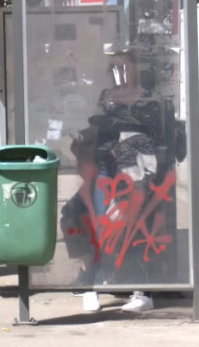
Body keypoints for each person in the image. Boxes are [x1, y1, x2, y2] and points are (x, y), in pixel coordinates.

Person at [68, 48, 184, 313]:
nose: (119, 74)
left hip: (137, 174)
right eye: (114, 69)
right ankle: (94, 282)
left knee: (133, 222)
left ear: (135, 70)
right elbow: (100, 134)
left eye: (124, 67)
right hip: (107, 171)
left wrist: (130, 125)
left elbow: (156, 138)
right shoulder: (106, 98)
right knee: (94, 218)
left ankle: (141, 289)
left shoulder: (150, 100)